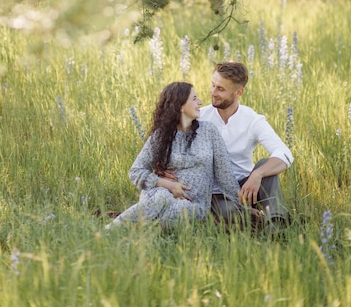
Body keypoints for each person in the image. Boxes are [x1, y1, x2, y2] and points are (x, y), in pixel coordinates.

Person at [105, 81, 241, 229]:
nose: (200, 102)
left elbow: (225, 175)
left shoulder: (209, 131)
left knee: (181, 208)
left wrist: (243, 205)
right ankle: (112, 229)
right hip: (158, 195)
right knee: (162, 196)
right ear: (180, 105)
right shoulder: (162, 136)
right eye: (194, 99)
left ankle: (137, 226)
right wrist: (168, 184)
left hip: (193, 205)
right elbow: (136, 171)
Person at [199, 61, 294, 233]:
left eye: (221, 89)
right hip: (215, 192)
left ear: (238, 92)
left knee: (267, 166)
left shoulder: (252, 119)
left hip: (247, 189)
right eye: (213, 86)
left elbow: (285, 154)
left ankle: (275, 226)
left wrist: (257, 174)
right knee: (226, 211)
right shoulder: (200, 117)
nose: (213, 92)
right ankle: (254, 218)